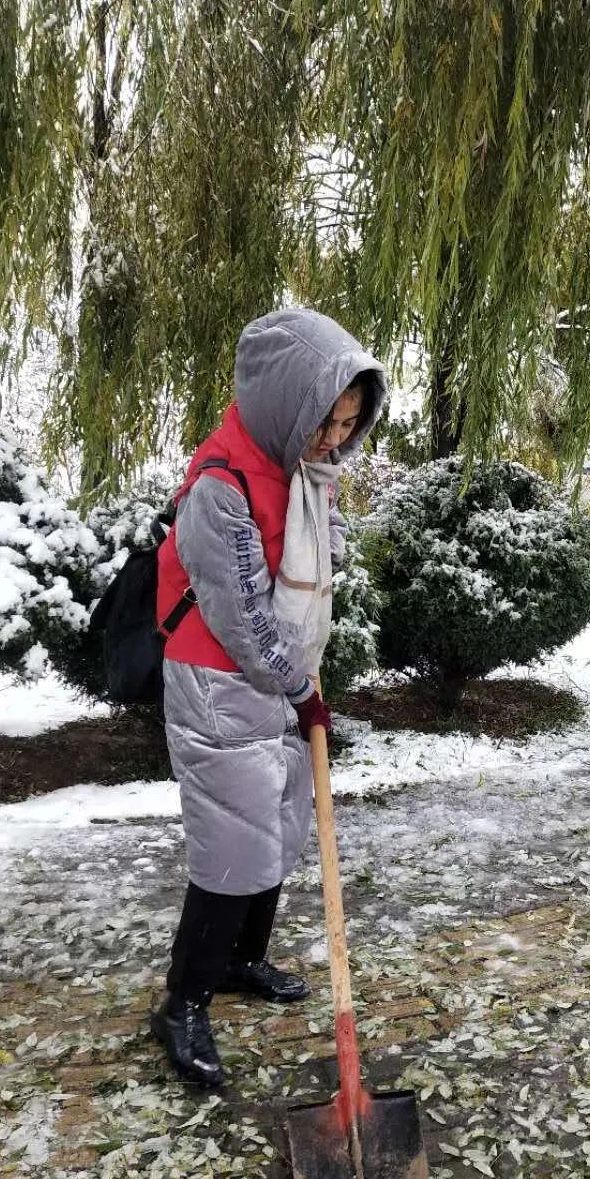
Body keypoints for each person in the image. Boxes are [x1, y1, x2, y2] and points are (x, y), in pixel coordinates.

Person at [151, 309, 387, 1087]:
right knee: (233, 846)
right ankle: (181, 1003)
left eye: (349, 425)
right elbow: (245, 615)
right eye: (327, 423)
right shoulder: (222, 485)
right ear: (289, 404)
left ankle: (240, 962)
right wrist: (298, 685)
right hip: (219, 683)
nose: (334, 440)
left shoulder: (299, 467)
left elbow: (318, 555)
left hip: (280, 680)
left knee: (280, 824)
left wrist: (301, 674)